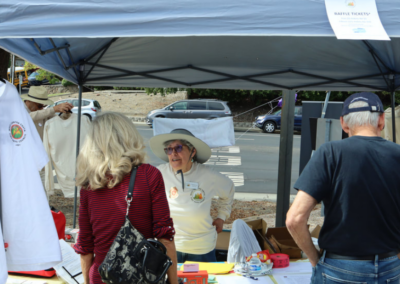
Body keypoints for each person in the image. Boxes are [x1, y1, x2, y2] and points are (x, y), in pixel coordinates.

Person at [286, 92, 400, 283]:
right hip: (390, 268)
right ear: (381, 120)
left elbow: (294, 219)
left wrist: (315, 259)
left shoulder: (330, 153)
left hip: (339, 269)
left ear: (343, 123)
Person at [74, 112, 178, 284]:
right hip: (142, 278)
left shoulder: (88, 184)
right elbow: (165, 238)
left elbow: (85, 246)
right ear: (129, 136)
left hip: (102, 278)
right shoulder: (149, 175)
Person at [150, 129, 235, 262]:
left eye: (178, 148)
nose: (174, 153)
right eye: (169, 149)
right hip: (169, 247)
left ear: (192, 151)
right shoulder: (158, 173)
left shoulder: (208, 175)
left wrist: (222, 216)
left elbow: (229, 188)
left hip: (202, 248)